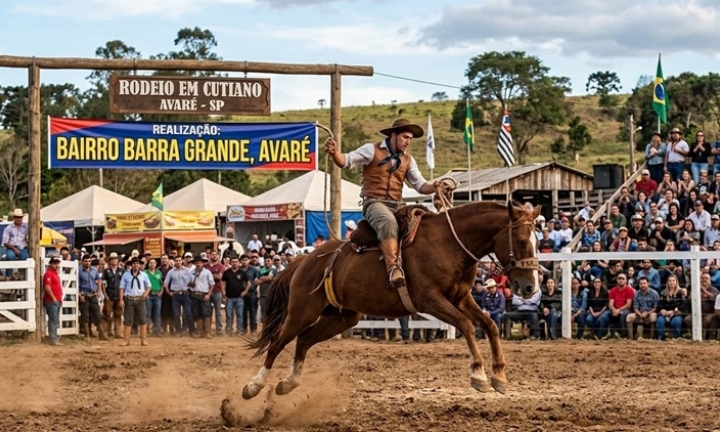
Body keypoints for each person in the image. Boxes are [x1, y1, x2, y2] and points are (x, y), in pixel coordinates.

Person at [325, 119, 440, 292]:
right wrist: (334, 153)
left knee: (424, 223)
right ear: (393, 135)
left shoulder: (409, 160)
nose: (408, 141)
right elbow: (346, 161)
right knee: (388, 221)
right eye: (405, 137)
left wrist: (435, 186)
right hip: (374, 203)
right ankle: (393, 268)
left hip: (397, 204)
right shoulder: (371, 150)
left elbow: (420, 185)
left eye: (410, 138)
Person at [118, 258, 151, 346]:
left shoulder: (144, 275)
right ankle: (126, 340)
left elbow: (149, 286)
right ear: (131, 265)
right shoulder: (126, 275)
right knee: (128, 319)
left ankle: (143, 339)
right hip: (129, 299)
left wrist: (145, 294)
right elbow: (122, 288)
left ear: (140, 265)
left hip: (140, 299)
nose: (136, 265)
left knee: (142, 319)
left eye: (137, 263)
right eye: (134, 263)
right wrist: (121, 300)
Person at [222, 256, 250, 336]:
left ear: (239, 263)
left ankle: (240, 331)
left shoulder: (242, 273)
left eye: (236, 262)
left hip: (239, 297)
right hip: (229, 297)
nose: (235, 263)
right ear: (230, 263)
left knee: (240, 315)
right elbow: (223, 284)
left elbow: (248, 283)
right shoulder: (226, 272)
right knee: (229, 315)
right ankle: (229, 331)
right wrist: (223, 293)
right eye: (233, 262)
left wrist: (245, 292)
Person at [189, 256, 215, 338]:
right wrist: (191, 283)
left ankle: (207, 332)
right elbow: (188, 283)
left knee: (206, 313)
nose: (198, 264)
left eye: (200, 262)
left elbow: (212, 284)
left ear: (202, 263)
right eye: (196, 263)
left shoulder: (207, 272)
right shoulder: (191, 272)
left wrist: (208, 295)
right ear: (194, 264)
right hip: (194, 294)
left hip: (204, 294)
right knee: (197, 313)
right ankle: (199, 331)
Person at [43, 257, 63, 346]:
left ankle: (54, 337)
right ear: (50, 264)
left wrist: (59, 299)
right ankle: (53, 339)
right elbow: (47, 287)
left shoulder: (54, 274)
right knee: (53, 319)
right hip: (51, 300)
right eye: (55, 263)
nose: (56, 265)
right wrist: (54, 298)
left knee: (55, 319)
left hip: (55, 299)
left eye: (57, 263)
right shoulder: (49, 274)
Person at [2, 208, 28, 277]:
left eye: (20, 217)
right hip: (11, 247)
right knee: (10, 256)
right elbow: (5, 242)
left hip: (23, 247)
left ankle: (23, 276)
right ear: (14, 218)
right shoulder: (8, 228)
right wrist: (14, 249)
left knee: (25, 257)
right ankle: (9, 276)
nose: (19, 219)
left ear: (22, 218)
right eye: (17, 217)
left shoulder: (27, 227)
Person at [144, 258, 163, 337]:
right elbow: (142, 284)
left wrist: (161, 292)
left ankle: (157, 331)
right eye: (150, 263)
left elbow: (162, 284)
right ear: (148, 264)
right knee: (147, 314)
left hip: (157, 296)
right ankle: (146, 331)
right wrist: (145, 294)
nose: (152, 264)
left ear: (156, 264)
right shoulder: (145, 273)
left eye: (153, 263)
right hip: (149, 295)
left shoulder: (159, 273)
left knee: (157, 314)